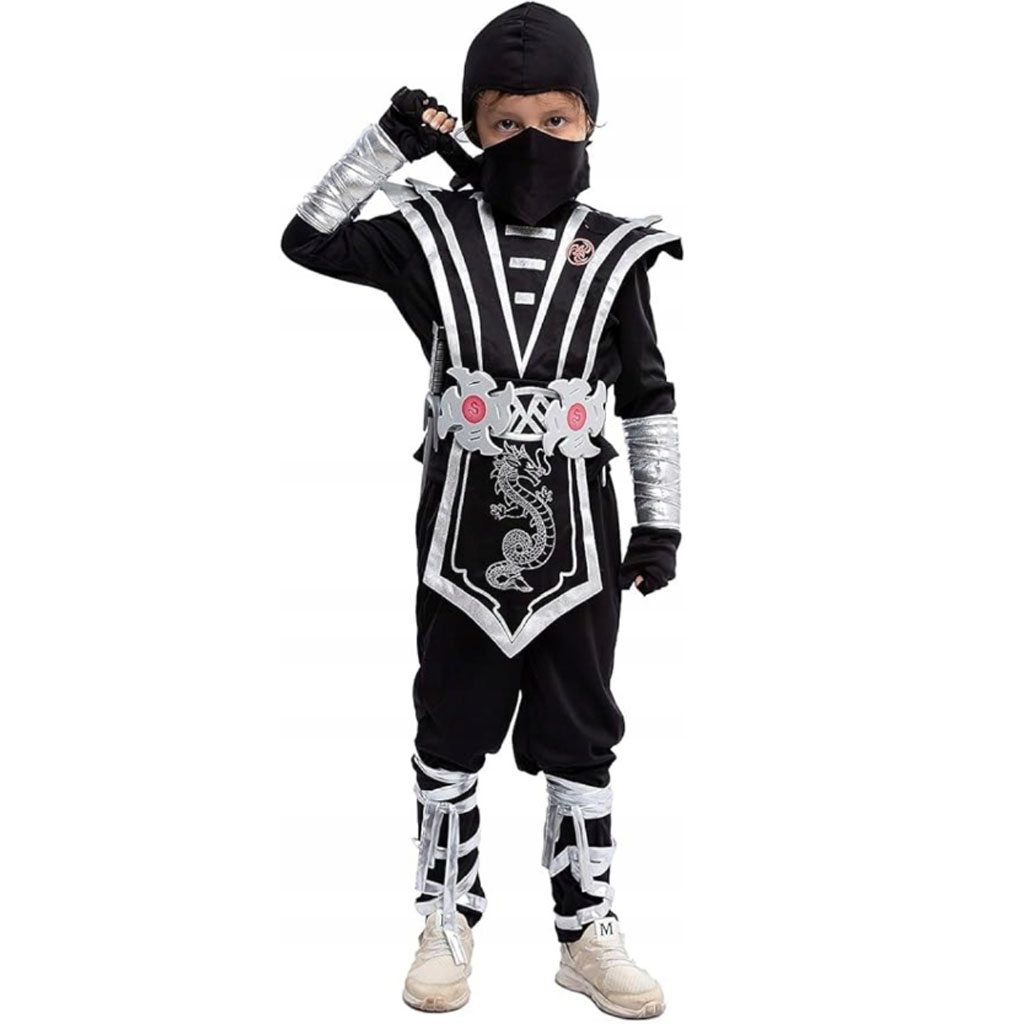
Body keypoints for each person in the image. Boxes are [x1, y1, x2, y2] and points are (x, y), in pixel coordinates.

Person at [280, 3, 682, 1016]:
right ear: (471, 126)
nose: (532, 141)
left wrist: (660, 520)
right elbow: (308, 239)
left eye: (556, 121)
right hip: (460, 533)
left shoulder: (617, 251)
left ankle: (586, 930)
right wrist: (388, 144)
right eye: (505, 124)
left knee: (582, 728)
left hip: (581, 535)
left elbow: (647, 395)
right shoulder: (430, 237)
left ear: (590, 123)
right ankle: (444, 918)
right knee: (451, 722)